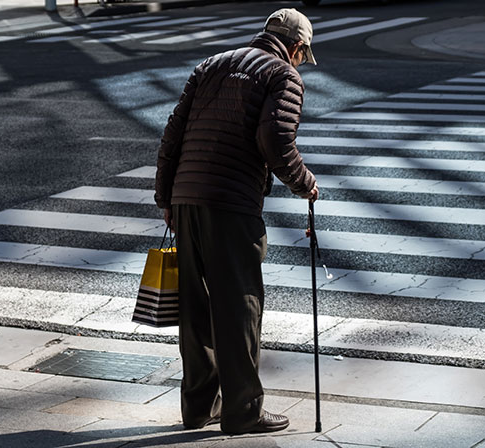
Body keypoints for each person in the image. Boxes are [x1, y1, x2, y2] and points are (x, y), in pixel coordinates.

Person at [154, 8, 319, 435]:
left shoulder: (212, 64)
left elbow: (173, 131)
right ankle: (243, 411)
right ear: (296, 47)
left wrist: (166, 197)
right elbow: (275, 139)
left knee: (195, 307)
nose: (300, 63)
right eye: (302, 55)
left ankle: (198, 408)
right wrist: (305, 183)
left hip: (186, 198)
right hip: (230, 204)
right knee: (239, 305)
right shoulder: (283, 76)